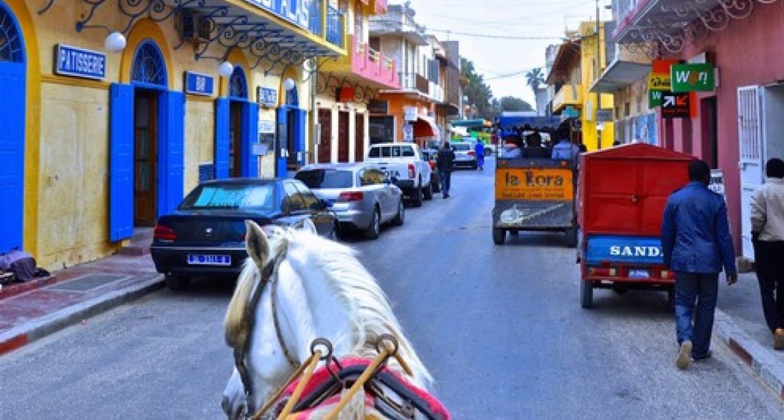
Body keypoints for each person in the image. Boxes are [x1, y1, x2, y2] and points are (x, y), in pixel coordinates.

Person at [661, 159, 737, 370]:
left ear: (689, 176)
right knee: (706, 304)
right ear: (707, 177)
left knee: (683, 302)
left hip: (683, 259)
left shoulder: (674, 199)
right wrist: (730, 267)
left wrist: (667, 258)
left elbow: (667, 234)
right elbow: (724, 237)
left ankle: (685, 338)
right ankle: (700, 349)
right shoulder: (716, 201)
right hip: (709, 262)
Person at [751, 157, 784, 349]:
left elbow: (757, 217)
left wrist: (755, 235)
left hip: (767, 243)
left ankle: (775, 326)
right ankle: (783, 321)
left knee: (766, 286)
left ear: (766, 172)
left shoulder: (761, 191)